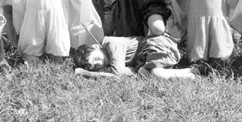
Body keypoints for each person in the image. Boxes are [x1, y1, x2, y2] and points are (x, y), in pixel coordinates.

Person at [73, 35, 201, 79]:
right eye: (96, 67)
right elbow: (127, 72)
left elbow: (118, 74)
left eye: (96, 59)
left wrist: (89, 74)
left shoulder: (111, 44)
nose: (100, 63)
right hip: (144, 56)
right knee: (147, 73)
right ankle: (193, 72)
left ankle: (195, 72)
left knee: (154, 74)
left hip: (153, 46)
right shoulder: (107, 55)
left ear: (96, 47)